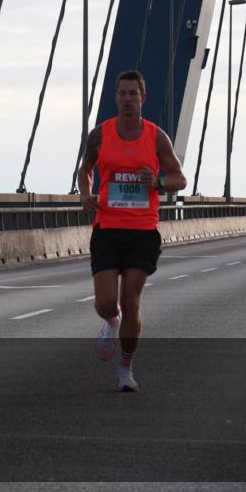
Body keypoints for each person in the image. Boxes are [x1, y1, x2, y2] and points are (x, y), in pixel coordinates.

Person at [77, 69, 187, 392]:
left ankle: (125, 369)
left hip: (142, 230)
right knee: (107, 302)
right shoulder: (100, 135)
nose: (127, 100)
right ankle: (111, 321)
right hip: (108, 227)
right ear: (116, 98)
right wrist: (85, 195)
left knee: (131, 299)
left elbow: (179, 178)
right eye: (122, 94)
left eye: (133, 94)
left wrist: (158, 182)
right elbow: (85, 171)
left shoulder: (156, 137)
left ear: (143, 98)